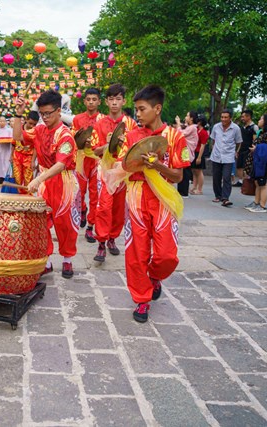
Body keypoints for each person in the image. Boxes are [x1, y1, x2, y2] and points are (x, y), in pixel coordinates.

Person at [115, 85, 190, 322]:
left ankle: (155, 276)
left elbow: (178, 176)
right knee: (136, 251)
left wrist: (156, 165)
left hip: (163, 196)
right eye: (136, 109)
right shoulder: (132, 137)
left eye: (141, 109)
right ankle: (141, 299)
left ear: (157, 109)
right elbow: (122, 166)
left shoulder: (175, 137)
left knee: (167, 255)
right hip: (136, 196)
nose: (137, 114)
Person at [13, 90, 79, 279]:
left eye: (48, 113)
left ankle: (67, 259)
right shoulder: (40, 130)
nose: (45, 117)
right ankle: (46, 261)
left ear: (59, 111)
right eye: (42, 114)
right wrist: (18, 114)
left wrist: (38, 179)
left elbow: (61, 164)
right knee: (40, 222)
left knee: (64, 223)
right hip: (44, 180)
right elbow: (18, 136)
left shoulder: (65, 135)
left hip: (63, 182)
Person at [89, 83, 138, 262]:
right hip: (105, 169)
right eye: (111, 99)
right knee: (104, 206)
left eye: (118, 99)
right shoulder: (100, 124)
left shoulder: (131, 124)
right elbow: (95, 150)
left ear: (124, 101)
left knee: (119, 208)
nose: (115, 103)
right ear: (107, 102)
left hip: (123, 170)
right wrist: (109, 144)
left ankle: (112, 238)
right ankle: (101, 242)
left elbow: (135, 148)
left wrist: (125, 143)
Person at [72, 88, 103, 239]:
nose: (91, 102)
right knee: (79, 192)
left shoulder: (103, 119)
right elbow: (73, 138)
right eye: (88, 99)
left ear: (99, 101)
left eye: (94, 99)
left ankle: (91, 225)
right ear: (84, 101)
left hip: (97, 161)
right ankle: (82, 209)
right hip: (81, 159)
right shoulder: (77, 119)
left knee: (95, 194)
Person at [210, 108, 243, 207]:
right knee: (216, 177)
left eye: (226, 117)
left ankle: (225, 198)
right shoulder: (216, 127)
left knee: (226, 177)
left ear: (230, 118)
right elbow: (213, 140)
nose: (223, 119)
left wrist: (236, 152)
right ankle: (218, 195)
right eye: (222, 117)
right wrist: (213, 149)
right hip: (216, 156)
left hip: (228, 156)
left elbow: (238, 142)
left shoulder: (236, 128)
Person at [245, 113, 267, 213]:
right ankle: (256, 202)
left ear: (266, 122)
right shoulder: (262, 132)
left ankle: (262, 206)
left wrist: (256, 148)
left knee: (263, 184)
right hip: (258, 161)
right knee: (257, 183)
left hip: (264, 163)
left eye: (261, 119)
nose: (259, 120)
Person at [12, 111, 38, 192]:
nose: (32, 126)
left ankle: (28, 198)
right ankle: (19, 198)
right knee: (17, 178)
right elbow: (13, 143)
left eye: (34, 124)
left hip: (28, 158)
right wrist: (11, 156)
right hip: (17, 156)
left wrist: (33, 161)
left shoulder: (35, 132)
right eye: (30, 123)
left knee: (28, 179)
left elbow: (36, 148)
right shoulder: (18, 129)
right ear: (26, 119)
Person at [174, 111, 199, 198]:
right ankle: (181, 191)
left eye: (187, 116)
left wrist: (177, 123)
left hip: (187, 153)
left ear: (191, 118)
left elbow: (181, 133)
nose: (186, 117)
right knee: (183, 171)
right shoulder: (190, 127)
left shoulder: (193, 128)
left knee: (185, 172)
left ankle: (184, 192)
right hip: (185, 152)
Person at [235, 109, 258, 187]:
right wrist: (237, 150)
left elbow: (255, 140)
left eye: (243, 117)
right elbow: (240, 140)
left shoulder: (254, 127)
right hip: (241, 149)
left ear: (249, 116)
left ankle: (246, 181)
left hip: (249, 150)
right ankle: (240, 181)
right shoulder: (242, 127)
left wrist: (253, 150)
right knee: (239, 166)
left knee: (246, 167)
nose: (242, 118)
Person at [190, 116, 209, 195]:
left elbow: (203, 145)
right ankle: (194, 187)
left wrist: (199, 157)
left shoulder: (204, 132)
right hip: (194, 151)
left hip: (198, 152)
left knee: (199, 171)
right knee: (194, 171)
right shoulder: (197, 130)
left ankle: (200, 189)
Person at [0, 116, 14, 183]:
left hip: (7, 150)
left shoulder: (9, 130)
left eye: (3, 121)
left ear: (6, 122)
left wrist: (8, 141)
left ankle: (6, 180)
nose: (2, 122)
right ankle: (0, 180)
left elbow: (12, 140)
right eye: (1, 121)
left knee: (6, 165)